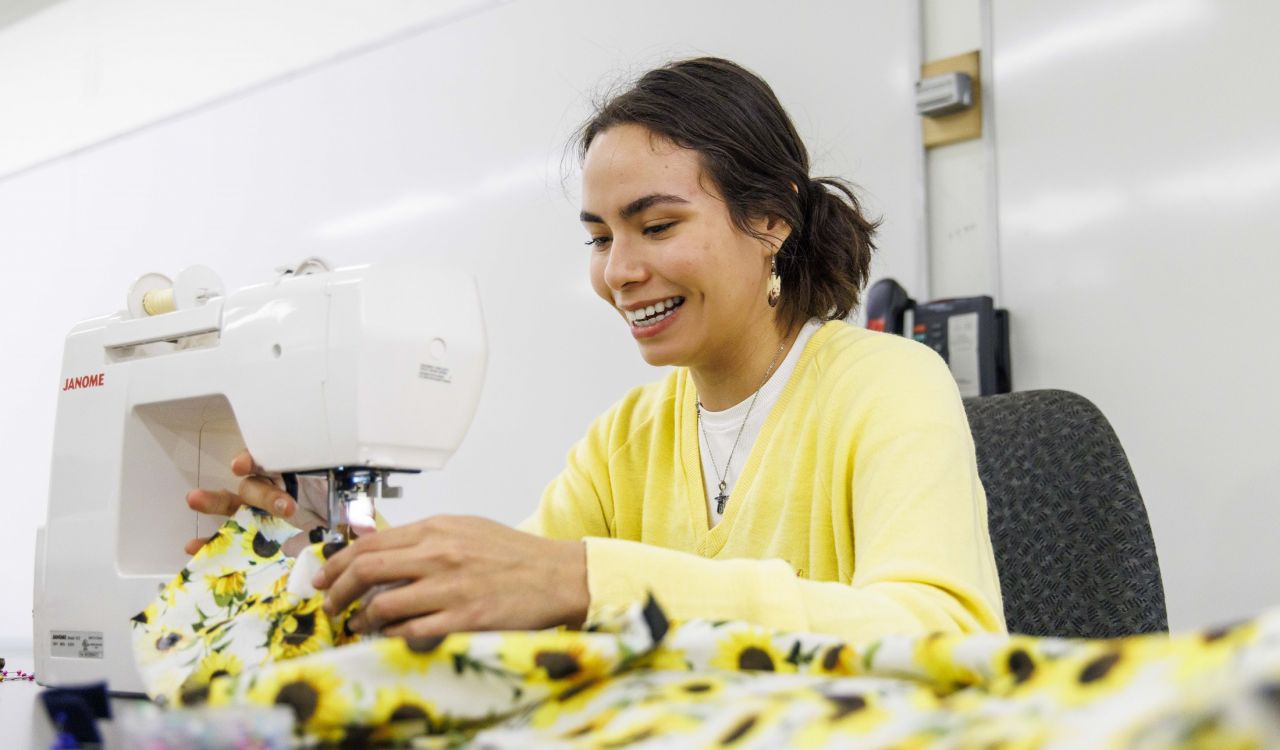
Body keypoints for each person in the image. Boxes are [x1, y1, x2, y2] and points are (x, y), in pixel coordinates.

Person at [186, 57, 1005, 643]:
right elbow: (504, 614)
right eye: (600, 237)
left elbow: (941, 633)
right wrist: (323, 548)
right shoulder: (626, 440)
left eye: (656, 226)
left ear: (772, 220)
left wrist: (589, 581)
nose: (619, 271)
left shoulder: (889, 384)